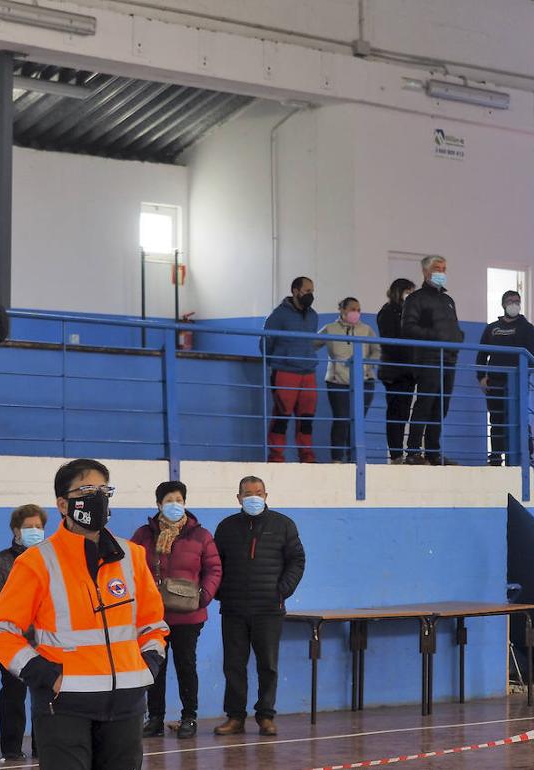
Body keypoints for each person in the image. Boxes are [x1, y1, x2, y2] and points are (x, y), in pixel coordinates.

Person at [0, 459, 169, 770]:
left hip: (126, 705)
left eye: (102, 490)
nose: (96, 497)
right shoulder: (37, 562)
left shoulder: (132, 557)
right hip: (64, 706)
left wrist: (148, 667)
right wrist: (44, 675)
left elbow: (153, 624)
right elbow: (0, 631)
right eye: (86, 490)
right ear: (62, 503)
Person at [213, 476, 306, 737]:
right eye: (247, 493)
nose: (253, 497)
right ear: (238, 497)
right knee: (233, 665)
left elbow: (297, 560)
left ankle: (266, 716)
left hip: (269, 608)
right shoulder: (226, 527)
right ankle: (234, 717)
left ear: (266, 495)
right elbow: (214, 565)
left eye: (258, 492)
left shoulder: (283, 525)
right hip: (233, 609)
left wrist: (282, 590)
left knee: (268, 665)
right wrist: (220, 593)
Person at [131, 480, 222, 739]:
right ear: (159, 504)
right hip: (152, 617)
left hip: (188, 615)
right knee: (154, 668)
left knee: (186, 666)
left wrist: (203, 597)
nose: (175, 505)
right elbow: (131, 568)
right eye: (169, 500)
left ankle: (189, 718)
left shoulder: (201, 535)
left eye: (179, 500)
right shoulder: (143, 535)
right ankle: (155, 718)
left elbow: (214, 569)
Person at [0, 504, 48, 763]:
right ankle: (11, 751)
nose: (35, 531)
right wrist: (18, 622)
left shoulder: (50, 559)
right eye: (29, 527)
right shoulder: (2, 561)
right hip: (13, 644)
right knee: (12, 697)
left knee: (44, 700)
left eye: (39, 527)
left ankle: (44, 749)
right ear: (16, 531)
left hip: (48, 643)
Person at [401, 256, 464, 465]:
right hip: (428, 359)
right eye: (438, 268)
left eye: (444, 268)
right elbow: (408, 328)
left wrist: (457, 338)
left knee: (441, 407)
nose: (442, 272)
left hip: (448, 359)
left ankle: (433, 452)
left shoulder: (448, 300)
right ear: (426, 272)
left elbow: (453, 328)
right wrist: (435, 336)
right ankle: (412, 451)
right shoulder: (415, 299)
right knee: (424, 405)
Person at [476, 290, 534, 466]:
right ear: (503, 304)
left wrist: (522, 375)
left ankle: (526, 458)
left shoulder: (527, 328)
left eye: (517, 301)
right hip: (495, 383)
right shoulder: (491, 328)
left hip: (517, 383)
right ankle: (496, 458)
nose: (514, 304)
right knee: (496, 420)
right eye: (510, 301)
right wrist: (481, 377)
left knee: (520, 419)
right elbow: (481, 355)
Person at [316, 297, 381, 462]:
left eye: (359, 310)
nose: (356, 313)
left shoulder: (366, 329)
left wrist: (367, 365)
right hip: (337, 382)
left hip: (364, 382)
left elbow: (377, 351)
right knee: (341, 420)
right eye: (353, 309)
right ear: (342, 310)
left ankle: (354, 458)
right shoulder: (330, 329)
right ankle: (337, 458)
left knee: (357, 422)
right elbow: (311, 345)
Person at [262, 277, 319, 463]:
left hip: (308, 372)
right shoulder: (278, 315)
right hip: (285, 371)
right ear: (295, 291)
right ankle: (276, 457)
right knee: (282, 416)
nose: (310, 294)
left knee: (307, 419)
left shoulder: (313, 316)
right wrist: (279, 361)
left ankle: (307, 457)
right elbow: (266, 343)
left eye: (312, 291)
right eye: (307, 290)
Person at [377, 278, 417, 464]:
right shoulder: (387, 312)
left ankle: (402, 453)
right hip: (394, 371)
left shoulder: (409, 313)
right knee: (395, 413)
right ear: (398, 291)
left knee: (403, 413)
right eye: (408, 291)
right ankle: (395, 454)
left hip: (408, 371)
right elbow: (392, 342)